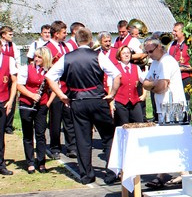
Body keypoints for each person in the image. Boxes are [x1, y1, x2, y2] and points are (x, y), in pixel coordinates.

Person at [46, 28, 121, 185]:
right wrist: (112, 94)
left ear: (76, 40)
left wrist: (61, 95)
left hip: (78, 101)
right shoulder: (98, 55)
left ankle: (86, 175)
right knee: (108, 137)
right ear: (91, 40)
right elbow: (117, 75)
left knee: (82, 138)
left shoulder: (67, 57)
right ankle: (111, 172)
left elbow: (50, 77)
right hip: (97, 100)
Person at [142, 37, 187, 188]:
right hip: (162, 106)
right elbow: (145, 83)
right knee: (165, 141)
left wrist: (153, 85)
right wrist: (153, 84)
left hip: (173, 106)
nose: (149, 55)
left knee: (175, 142)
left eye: (151, 51)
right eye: (147, 52)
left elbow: (161, 86)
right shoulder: (155, 63)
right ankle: (165, 174)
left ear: (159, 47)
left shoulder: (167, 62)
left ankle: (183, 173)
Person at [16, 47, 54, 174]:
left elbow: (55, 88)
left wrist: (47, 103)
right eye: (36, 56)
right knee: (28, 134)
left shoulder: (49, 71)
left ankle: (41, 162)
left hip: (41, 106)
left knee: (40, 134)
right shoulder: (26, 69)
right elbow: (19, 85)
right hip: (27, 104)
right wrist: (32, 95)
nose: (36, 59)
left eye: (39, 57)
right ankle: (30, 163)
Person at [44, 20, 77, 159]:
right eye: (64, 32)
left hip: (67, 86)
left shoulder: (66, 47)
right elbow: (44, 67)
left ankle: (71, 147)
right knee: (55, 119)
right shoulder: (47, 48)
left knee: (69, 118)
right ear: (56, 34)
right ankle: (55, 147)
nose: (66, 35)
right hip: (55, 89)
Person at [113, 46, 147, 127]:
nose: (126, 55)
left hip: (134, 101)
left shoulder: (136, 67)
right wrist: (111, 102)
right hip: (120, 102)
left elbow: (144, 81)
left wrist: (144, 94)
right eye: (124, 53)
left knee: (139, 125)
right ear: (119, 56)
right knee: (123, 126)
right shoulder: (115, 68)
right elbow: (110, 85)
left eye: (128, 53)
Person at [0, 42, 18, 176]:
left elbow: (14, 81)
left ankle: (1, 163)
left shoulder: (8, 60)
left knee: (0, 135)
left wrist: (11, 100)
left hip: (3, 101)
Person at [0, 26, 22, 134]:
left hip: (10, 74)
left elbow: (17, 60)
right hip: (2, 76)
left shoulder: (13, 46)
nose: (12, 36)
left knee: (11, 99)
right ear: (3, 35)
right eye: (10, 34)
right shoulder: (1, 45)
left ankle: (8, 124)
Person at [169, 22, 192, 97]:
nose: (173, 33)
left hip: (185, 79)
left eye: (175, 31)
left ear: (182, 32)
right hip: (173, 80)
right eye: (173, 31)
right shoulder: (171, 44)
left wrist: (182, 68)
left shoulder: (189, 45)